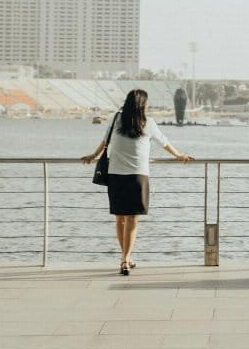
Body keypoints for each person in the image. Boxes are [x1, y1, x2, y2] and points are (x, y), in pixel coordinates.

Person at [81, 88, 194, 275]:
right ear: (143, 105)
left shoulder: (117, 120)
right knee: (132, 218)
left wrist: (94, 155)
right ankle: (125, 258)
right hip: (138, 175)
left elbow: (104, 141)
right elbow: (164, 142)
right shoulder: (147, 123)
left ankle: (125, 258)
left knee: (120, 218)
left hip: (116, 174)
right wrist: (179, 155)